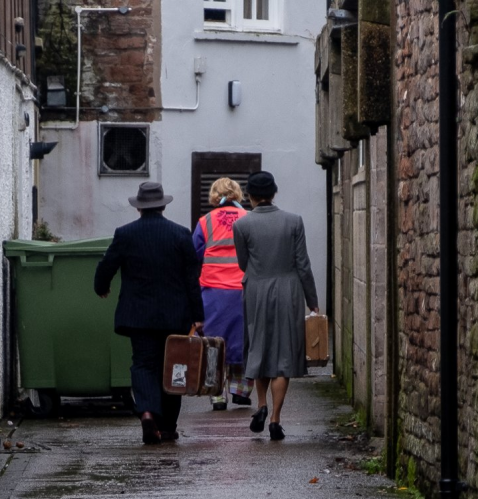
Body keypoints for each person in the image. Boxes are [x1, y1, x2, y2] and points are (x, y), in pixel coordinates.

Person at [94, 182, 204, 445]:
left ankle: (146, 410)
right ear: (163, 206)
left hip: (138, 315)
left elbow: (107, 265)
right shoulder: (180, 234)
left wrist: (101, 287)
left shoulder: (125, 234)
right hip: (175, 314)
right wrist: (198, 315)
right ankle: (167, 427)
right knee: (174, 365)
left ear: (139, 208)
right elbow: (192, 279)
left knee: (143, 363)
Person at [232, 170, 318, 441]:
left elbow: (243, 263)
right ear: (274, 193)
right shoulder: (294, 222)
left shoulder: (241, 226)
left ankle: (261, 405)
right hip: (288, 291)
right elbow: (302, 264)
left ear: (249, 197)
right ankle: (276, 420)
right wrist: (312, 300)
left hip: (256, 289)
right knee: (283, 353)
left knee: (259, 347)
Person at [192, 177, 253, 411]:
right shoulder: (248, 218)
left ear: (214, 196)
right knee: (242, 340)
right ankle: (241, 391)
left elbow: (194, 254)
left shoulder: (205, 221)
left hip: (213, 290)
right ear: (237, 195)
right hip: (243, 289)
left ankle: (216, 393)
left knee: (213, 342)